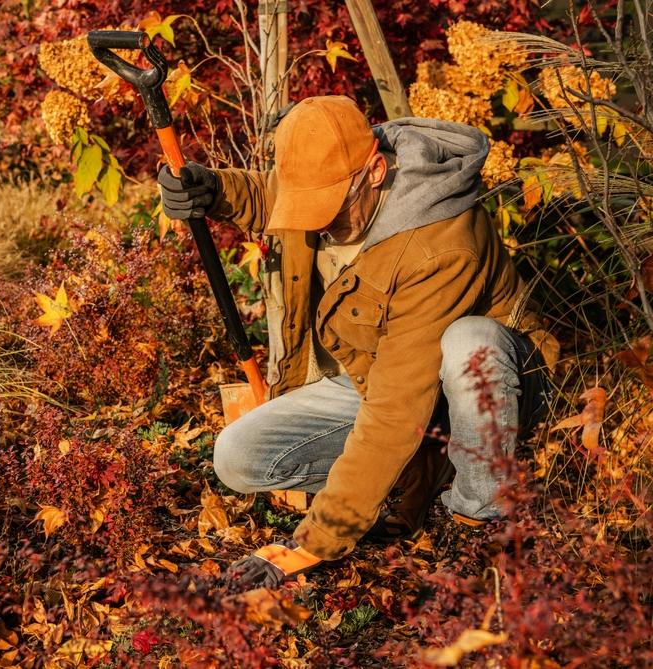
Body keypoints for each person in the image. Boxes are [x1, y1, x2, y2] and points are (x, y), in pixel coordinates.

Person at [157, 96, 556, 588]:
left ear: (375, 171)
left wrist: (312, 544)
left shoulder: (441, 245)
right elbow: (272, 194)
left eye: (329, 208)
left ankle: (478, 516)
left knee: (470, 342)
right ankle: (421, 467)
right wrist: (213, 188)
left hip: (483, 390)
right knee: (237, 457)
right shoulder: (329, 168)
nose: (317, 222)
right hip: (369, 378)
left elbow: (394, 411)